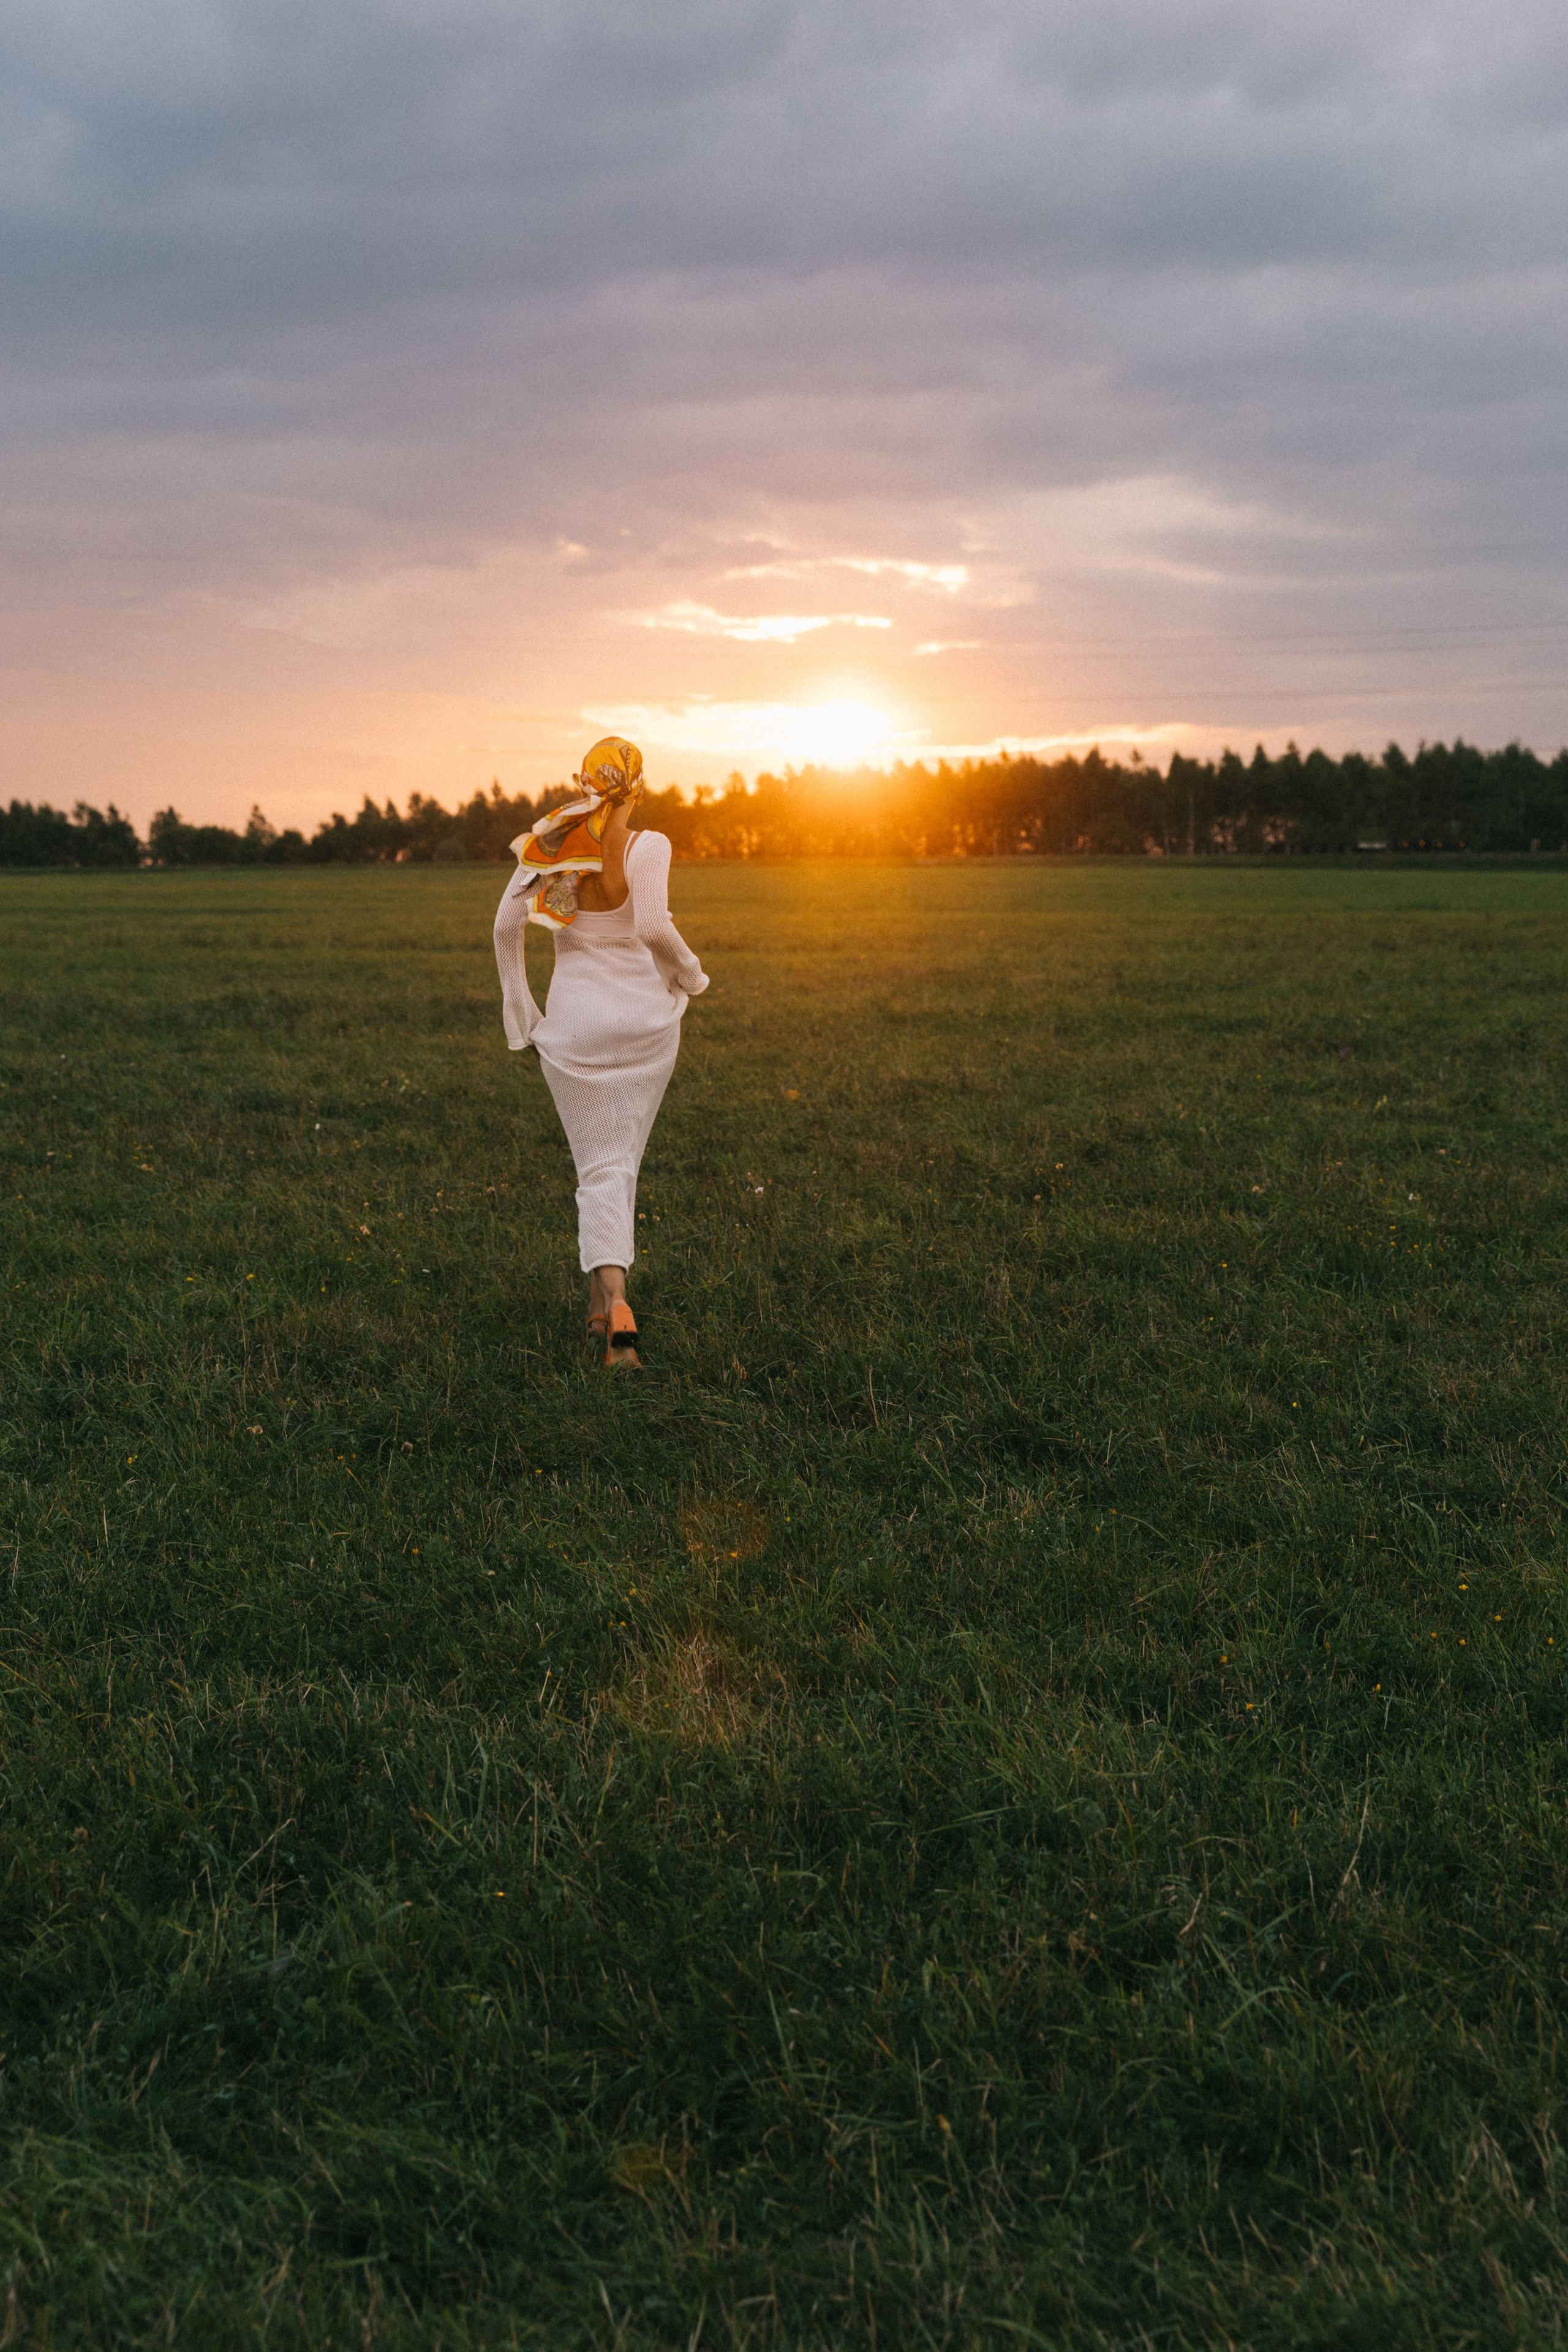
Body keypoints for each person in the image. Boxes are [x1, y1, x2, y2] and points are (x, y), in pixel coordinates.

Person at [493, 736, 708, 1368]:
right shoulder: (649, 846)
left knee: (599, 1168)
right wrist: (691, 977)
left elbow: (506, 927)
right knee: (623, 1160)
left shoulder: (555, 843)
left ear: (581, 782)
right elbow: (650, 926)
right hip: (645, 1027)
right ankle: (607, 1306)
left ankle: (608, 1300)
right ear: (638, 788)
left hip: (575, 1034)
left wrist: (523, 1016)